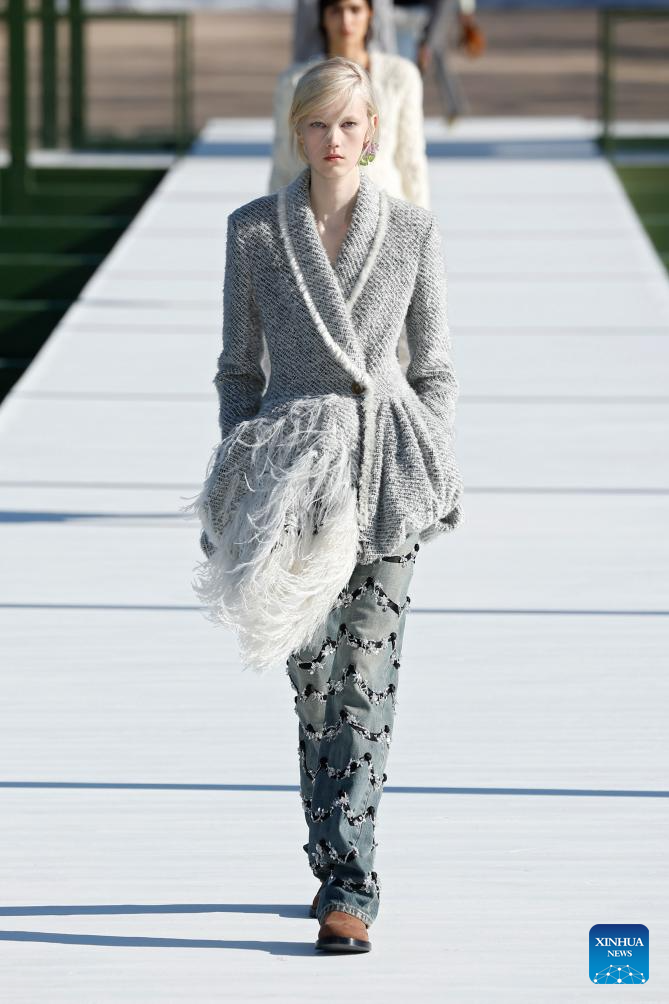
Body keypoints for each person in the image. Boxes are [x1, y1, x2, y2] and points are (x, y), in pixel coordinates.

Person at [185, 56, 463, 953]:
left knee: (365, 675)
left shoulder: (412, 231)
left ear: (372, 131)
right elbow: (237, 369)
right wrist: (244, 466)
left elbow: (433, 367)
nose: (333, 139)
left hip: (384, 470)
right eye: (317, 123)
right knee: (311, 681)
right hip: (290, 479)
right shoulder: (255, 233)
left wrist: (429, 451)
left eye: (348, 123)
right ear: (296, 131)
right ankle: (329, 848)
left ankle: (352, 883)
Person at [269, 0, 430, 210]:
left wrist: (422, 220)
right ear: (323, 17)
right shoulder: (294, 82)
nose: (346, 20)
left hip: (387, 210)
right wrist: (275, 219)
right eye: (336, 11)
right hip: (314, 213)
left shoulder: (400, 76)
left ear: (370, 13)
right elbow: (284, 162)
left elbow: (411, 159)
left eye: (355, 10)